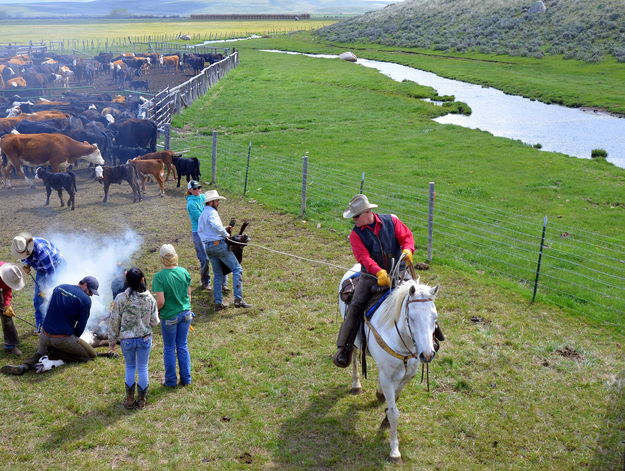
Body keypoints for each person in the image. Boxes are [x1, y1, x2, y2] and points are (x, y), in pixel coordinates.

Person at [332, 194, 417, 368]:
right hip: (370, 277)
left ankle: (433, 337)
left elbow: (406, 237)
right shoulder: (356, 235)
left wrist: (408, 250)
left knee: (421, 298)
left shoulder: (392, 221)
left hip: (399, 273)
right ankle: (345, 348)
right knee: (355, 306)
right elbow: (363, 257)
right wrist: (378, 272)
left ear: (367, 212)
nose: (354, 220)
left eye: (356, 216)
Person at [1, 276, 100, 375]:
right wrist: (74, 339)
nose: (90, 295)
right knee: (91, 355)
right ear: (85, 285)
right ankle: (55, 352)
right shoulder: (86, 300)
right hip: (61, 339)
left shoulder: (59, 287)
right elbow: (81, 326)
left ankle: (23, 366)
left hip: (44, 335)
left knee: (39, 353)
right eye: (90, 292)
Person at [109, 267, 159, 409]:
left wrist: (112, 341)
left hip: (127, 340)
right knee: (143, 367)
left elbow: (114, 321)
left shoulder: (121, 298)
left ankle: (129, 399)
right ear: (142, 279)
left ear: (127, 281)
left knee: (130, 367)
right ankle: (142, 400)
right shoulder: (150, 298)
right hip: (144, 338)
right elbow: (155, 321)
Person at [197, 189, 251, 311]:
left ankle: (218, 302)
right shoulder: (212, 213)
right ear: (211, 202)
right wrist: (225, 233)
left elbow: (204, 231)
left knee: (217, 274)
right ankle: (238, 299)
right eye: (217, 201)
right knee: (237, 269)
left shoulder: (202, 215)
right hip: (218, 245)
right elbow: (215, 226)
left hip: (208, 247)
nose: (218, 203)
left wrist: (223, 228)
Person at [152, 244, 193, 387]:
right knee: (182, 346)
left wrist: (154, 311)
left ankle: (170, 381)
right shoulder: (184, 272)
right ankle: (186, 379)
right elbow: (188, 295)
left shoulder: (159, 277)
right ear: (175, 256)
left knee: (169, 348)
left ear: (162, 259)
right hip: (186, 314)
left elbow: (161, 302)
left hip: (169, 317)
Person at [11, 233, 65, 332]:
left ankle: (59, 324)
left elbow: (52, 273)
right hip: (42, 269)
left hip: (57, 267)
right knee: (38, 299)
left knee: (56, 296)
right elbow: (25, 258)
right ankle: (41, 326)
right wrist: (27, 265)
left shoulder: (42, 252)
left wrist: (48, 289)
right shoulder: (21, 246)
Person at [185, 180, 228, 292]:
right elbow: (201, 219)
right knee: (204, 259)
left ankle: (224, 283)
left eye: (199, 187)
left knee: (220, 254)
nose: (197, 190)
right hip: (198, 232)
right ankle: (206, 282)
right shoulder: (190, 204)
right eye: (194, 188)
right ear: (190, 190)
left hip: (209, 229)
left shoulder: (204, 197)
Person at [0, 262, 26, 356]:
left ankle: (10, 345)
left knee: (6, 316)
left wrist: (7, 305)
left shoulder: (10, 272)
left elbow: (7, 288)